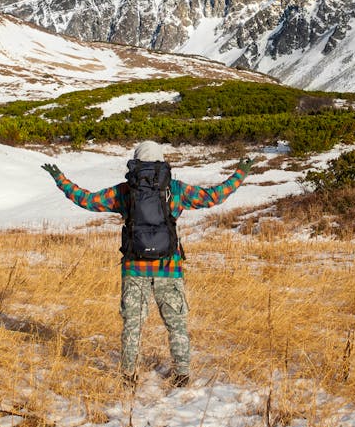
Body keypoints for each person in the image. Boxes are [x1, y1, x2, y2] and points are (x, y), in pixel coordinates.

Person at [42, 140, 252, 387]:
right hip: (169, 268)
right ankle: (182, 375)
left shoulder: (125, 191)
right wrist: (240, 173)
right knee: (176, 325)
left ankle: (128, 376)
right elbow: (214, 197)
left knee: (133, 325)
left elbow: (88, 200)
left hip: (134, 268)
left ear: (136, 161)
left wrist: (60, 179)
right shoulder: (175, 189)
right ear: (162, 161)